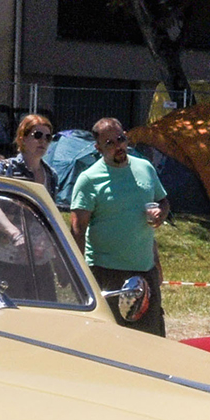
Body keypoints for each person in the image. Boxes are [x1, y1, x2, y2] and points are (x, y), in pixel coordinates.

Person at [69, 118, 169, 334]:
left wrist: (160, 215)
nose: (118, 146)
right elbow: (77, 229)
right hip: (106, 273)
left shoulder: (145, 168)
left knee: (151, 338)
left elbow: (163, 201)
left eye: (120, 139)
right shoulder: (89, 180)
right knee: (108, 339)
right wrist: (79, 275)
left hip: (144, 270)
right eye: (109, 143)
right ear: (98, 148)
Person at [0, 114, 58, 194]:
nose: (43, 141)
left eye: (47, 137)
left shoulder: (51, 175)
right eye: (38, 135)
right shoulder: (4, 169)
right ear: (23, 139)